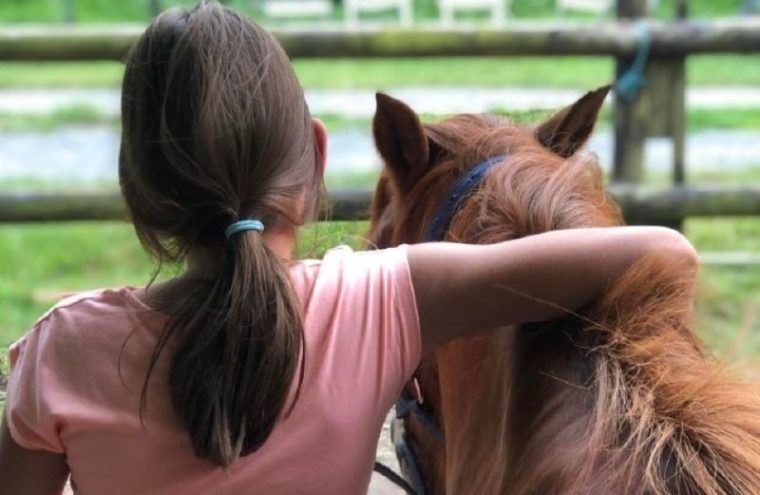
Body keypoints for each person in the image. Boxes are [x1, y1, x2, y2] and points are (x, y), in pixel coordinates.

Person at [0, 2, 698, 494]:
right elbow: (667, 254)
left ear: (136, 192)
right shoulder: (381, 299)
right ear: (315, 156)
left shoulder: (60, 353)